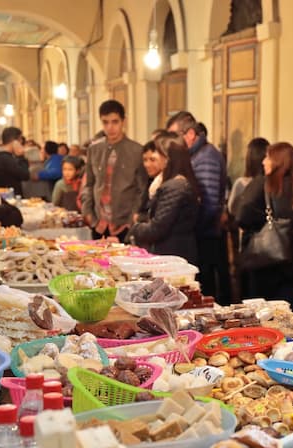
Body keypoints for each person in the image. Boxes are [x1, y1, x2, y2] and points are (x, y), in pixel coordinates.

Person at [235, 142, 293, 310]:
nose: (264, 161)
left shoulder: (263, 184)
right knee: (287, 316)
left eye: (268, 157)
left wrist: (263, 223)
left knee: (259, 316)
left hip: (263, 264)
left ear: (278, 161)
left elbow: (242, 215)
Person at [167, 111, 230, 303]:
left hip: (206, 234)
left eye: (175, 136)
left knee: (206, 288)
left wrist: (191, 229)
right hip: (201, 233)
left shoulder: (206, 157)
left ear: (190, 134)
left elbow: (209, 203)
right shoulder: (196, 155)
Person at [81, 100, 148, 242]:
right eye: (105, 122)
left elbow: (141, 189)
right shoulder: (94, 150)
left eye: (115, 122)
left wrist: (132, 219)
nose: (110, 127)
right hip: (98, 223)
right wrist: (88, 213)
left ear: (123, 121)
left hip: (124, 224)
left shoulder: (137, 150)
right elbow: (89, 184)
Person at [127, 134, 200, 263]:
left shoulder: (175, 186)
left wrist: (135, 227)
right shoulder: (175, 183)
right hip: (175, 250)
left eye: (157, 153)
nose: (155, 157)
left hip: (172, 253)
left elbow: (157, 228)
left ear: (167, 158)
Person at [228, 137, 269, 299]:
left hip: (249, 241)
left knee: (248, 289)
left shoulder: (243, 183)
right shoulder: (273, 183)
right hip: (269, 242)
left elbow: (232, 209)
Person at [0, 126, 29, 197]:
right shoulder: (6, 158)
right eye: (20, 141)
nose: (21, 144)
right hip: (8, 198)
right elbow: (25, 175)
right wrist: (21, 156)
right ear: (15, 141)